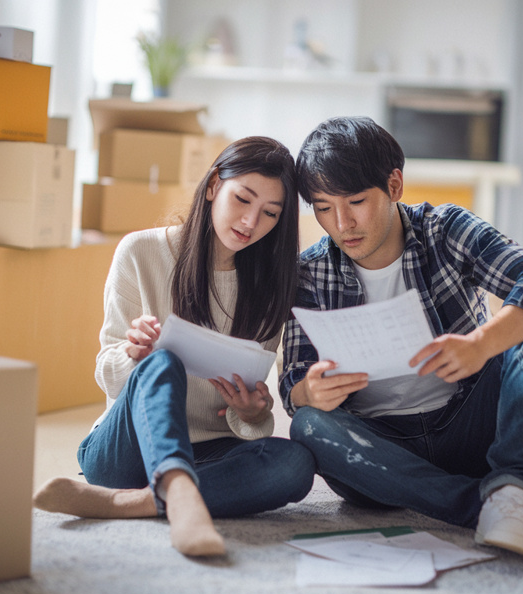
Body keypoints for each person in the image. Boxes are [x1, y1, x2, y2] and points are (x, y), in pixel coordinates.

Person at [281, 116, 523, 558]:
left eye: (356, 201)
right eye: (322, 208)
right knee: (307, 425)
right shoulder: (310, 271)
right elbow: (292, 383)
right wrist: (309, 391)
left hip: (468, 424)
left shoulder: (444, 229)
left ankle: (511, 484)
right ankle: (498, 505)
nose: (342, 223)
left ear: (394, 185)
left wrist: (481, 344)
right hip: (380, 450)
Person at [34, 136, 315, 557]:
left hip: (210, 450)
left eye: (270, 213)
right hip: (125, 453)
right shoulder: (141, 252)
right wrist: (133, 356)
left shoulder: (272, 285)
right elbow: (107, 372)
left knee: (296, 465)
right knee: (162, 361)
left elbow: (254, 410)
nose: (250, 221)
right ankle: (179, 495)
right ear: (214, 185)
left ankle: (132, 502)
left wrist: (252, 412)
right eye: (242, 199)